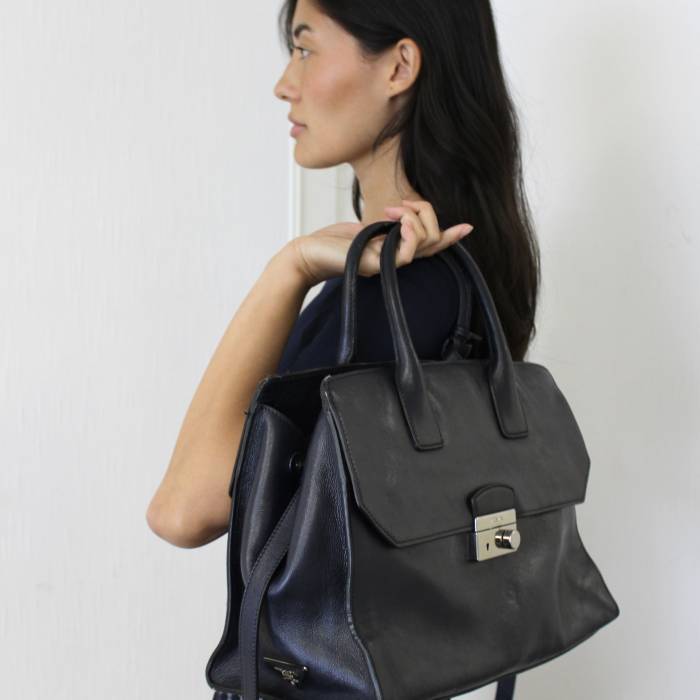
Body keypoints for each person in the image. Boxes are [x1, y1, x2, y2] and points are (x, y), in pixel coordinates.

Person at [147, 0, 540, 615]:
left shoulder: (389, 302)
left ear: (399, 67)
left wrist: (289, 268)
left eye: (305, 48)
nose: (285, 84)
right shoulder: (468, 276)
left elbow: (182, 510)